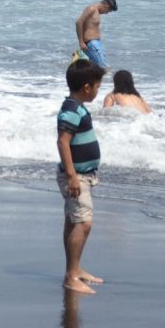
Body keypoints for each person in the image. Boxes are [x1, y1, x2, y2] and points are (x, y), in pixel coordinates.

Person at [56, 58, 106, 295]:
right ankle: (70, 276)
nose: (98, 90)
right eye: (97, 86)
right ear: (87, 87)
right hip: (76, 177)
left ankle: (75, 269)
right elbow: (63, 142)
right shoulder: (72, 110)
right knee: (84, 223)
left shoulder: (75, 107)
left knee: (73, 221)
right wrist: (72, 175)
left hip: (81, 175)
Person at [75, 0, 117, 68]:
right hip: (92, 44)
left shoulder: (96, 11)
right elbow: (79, 22)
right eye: (108, 11)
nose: (107, 13)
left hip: (94, 44)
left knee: (94, 69)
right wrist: (81, 42)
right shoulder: (91, 9)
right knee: (104, 68)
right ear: (105, 5)